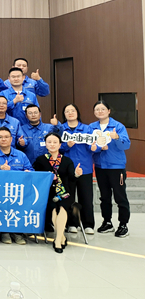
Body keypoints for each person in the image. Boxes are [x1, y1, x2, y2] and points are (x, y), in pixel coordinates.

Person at [33, 132, 84, 253]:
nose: (52, 144)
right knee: (54, 208)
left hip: (65, 193)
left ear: (60, 145)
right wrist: (47, 177)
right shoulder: (40, 160)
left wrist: (77, 174)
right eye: (49, 142)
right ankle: (62, 237)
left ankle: (57, 239)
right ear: (45, 144)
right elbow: (36, 178)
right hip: (48, 193)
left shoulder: (67, 160)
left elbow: (72, 178)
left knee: (62, 207)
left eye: (55, 142)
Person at [0, 126, 34, 245]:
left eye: (6, 137)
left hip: (17, 190)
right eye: (0, 137)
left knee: (20, 206)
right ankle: (4, 232)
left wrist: (28, 172)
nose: (3, 139)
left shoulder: (21, 155)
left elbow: (30, 169)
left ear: (11, 139)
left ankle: (17, 232)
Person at [54, 104, 97, 234]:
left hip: (85, 168)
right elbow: (56, 147)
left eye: (72, 110)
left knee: (86, 197)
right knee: (68, 197)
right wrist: (66, 145)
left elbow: (93, 145)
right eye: (67, 111)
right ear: (64, 114)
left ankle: (88, 224)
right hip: (67, 168)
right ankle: (71, 223)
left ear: (77, 112)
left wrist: (95, 147)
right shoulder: (61, 129)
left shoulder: (87, 128)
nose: (70, 113)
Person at [90, 101, 131, 238]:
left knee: (120, 196)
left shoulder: (118, 126)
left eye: (103, 109)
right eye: (97, 109)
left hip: (116, 167)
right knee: (104, 196)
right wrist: (98, 148)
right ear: (94, 112)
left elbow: (126, 145)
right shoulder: (91, 127)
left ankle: (123, 224)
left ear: (109, 111)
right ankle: (107, 222)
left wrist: (117, 137)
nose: (100, 111)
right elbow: (89, 146)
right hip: (100, 166)